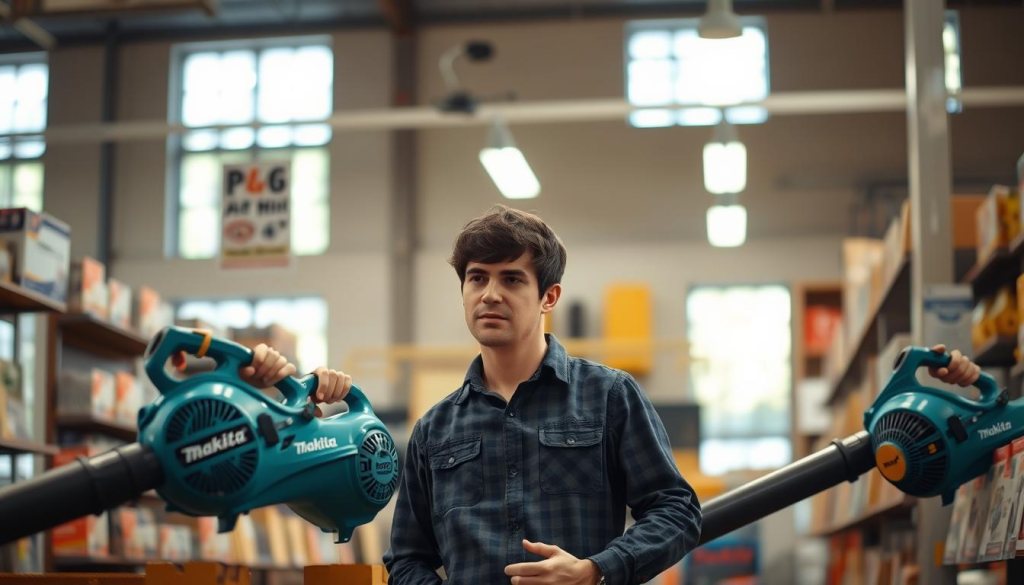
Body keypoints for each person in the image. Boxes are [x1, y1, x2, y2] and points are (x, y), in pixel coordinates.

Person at [244, 206, 983, 585]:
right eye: (476, 277)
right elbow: (406, 557)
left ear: (549, 295)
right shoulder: (436, 428)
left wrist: (597, 569)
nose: (490, 293)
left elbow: (677, 510)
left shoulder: (606, 397)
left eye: (511, 278)